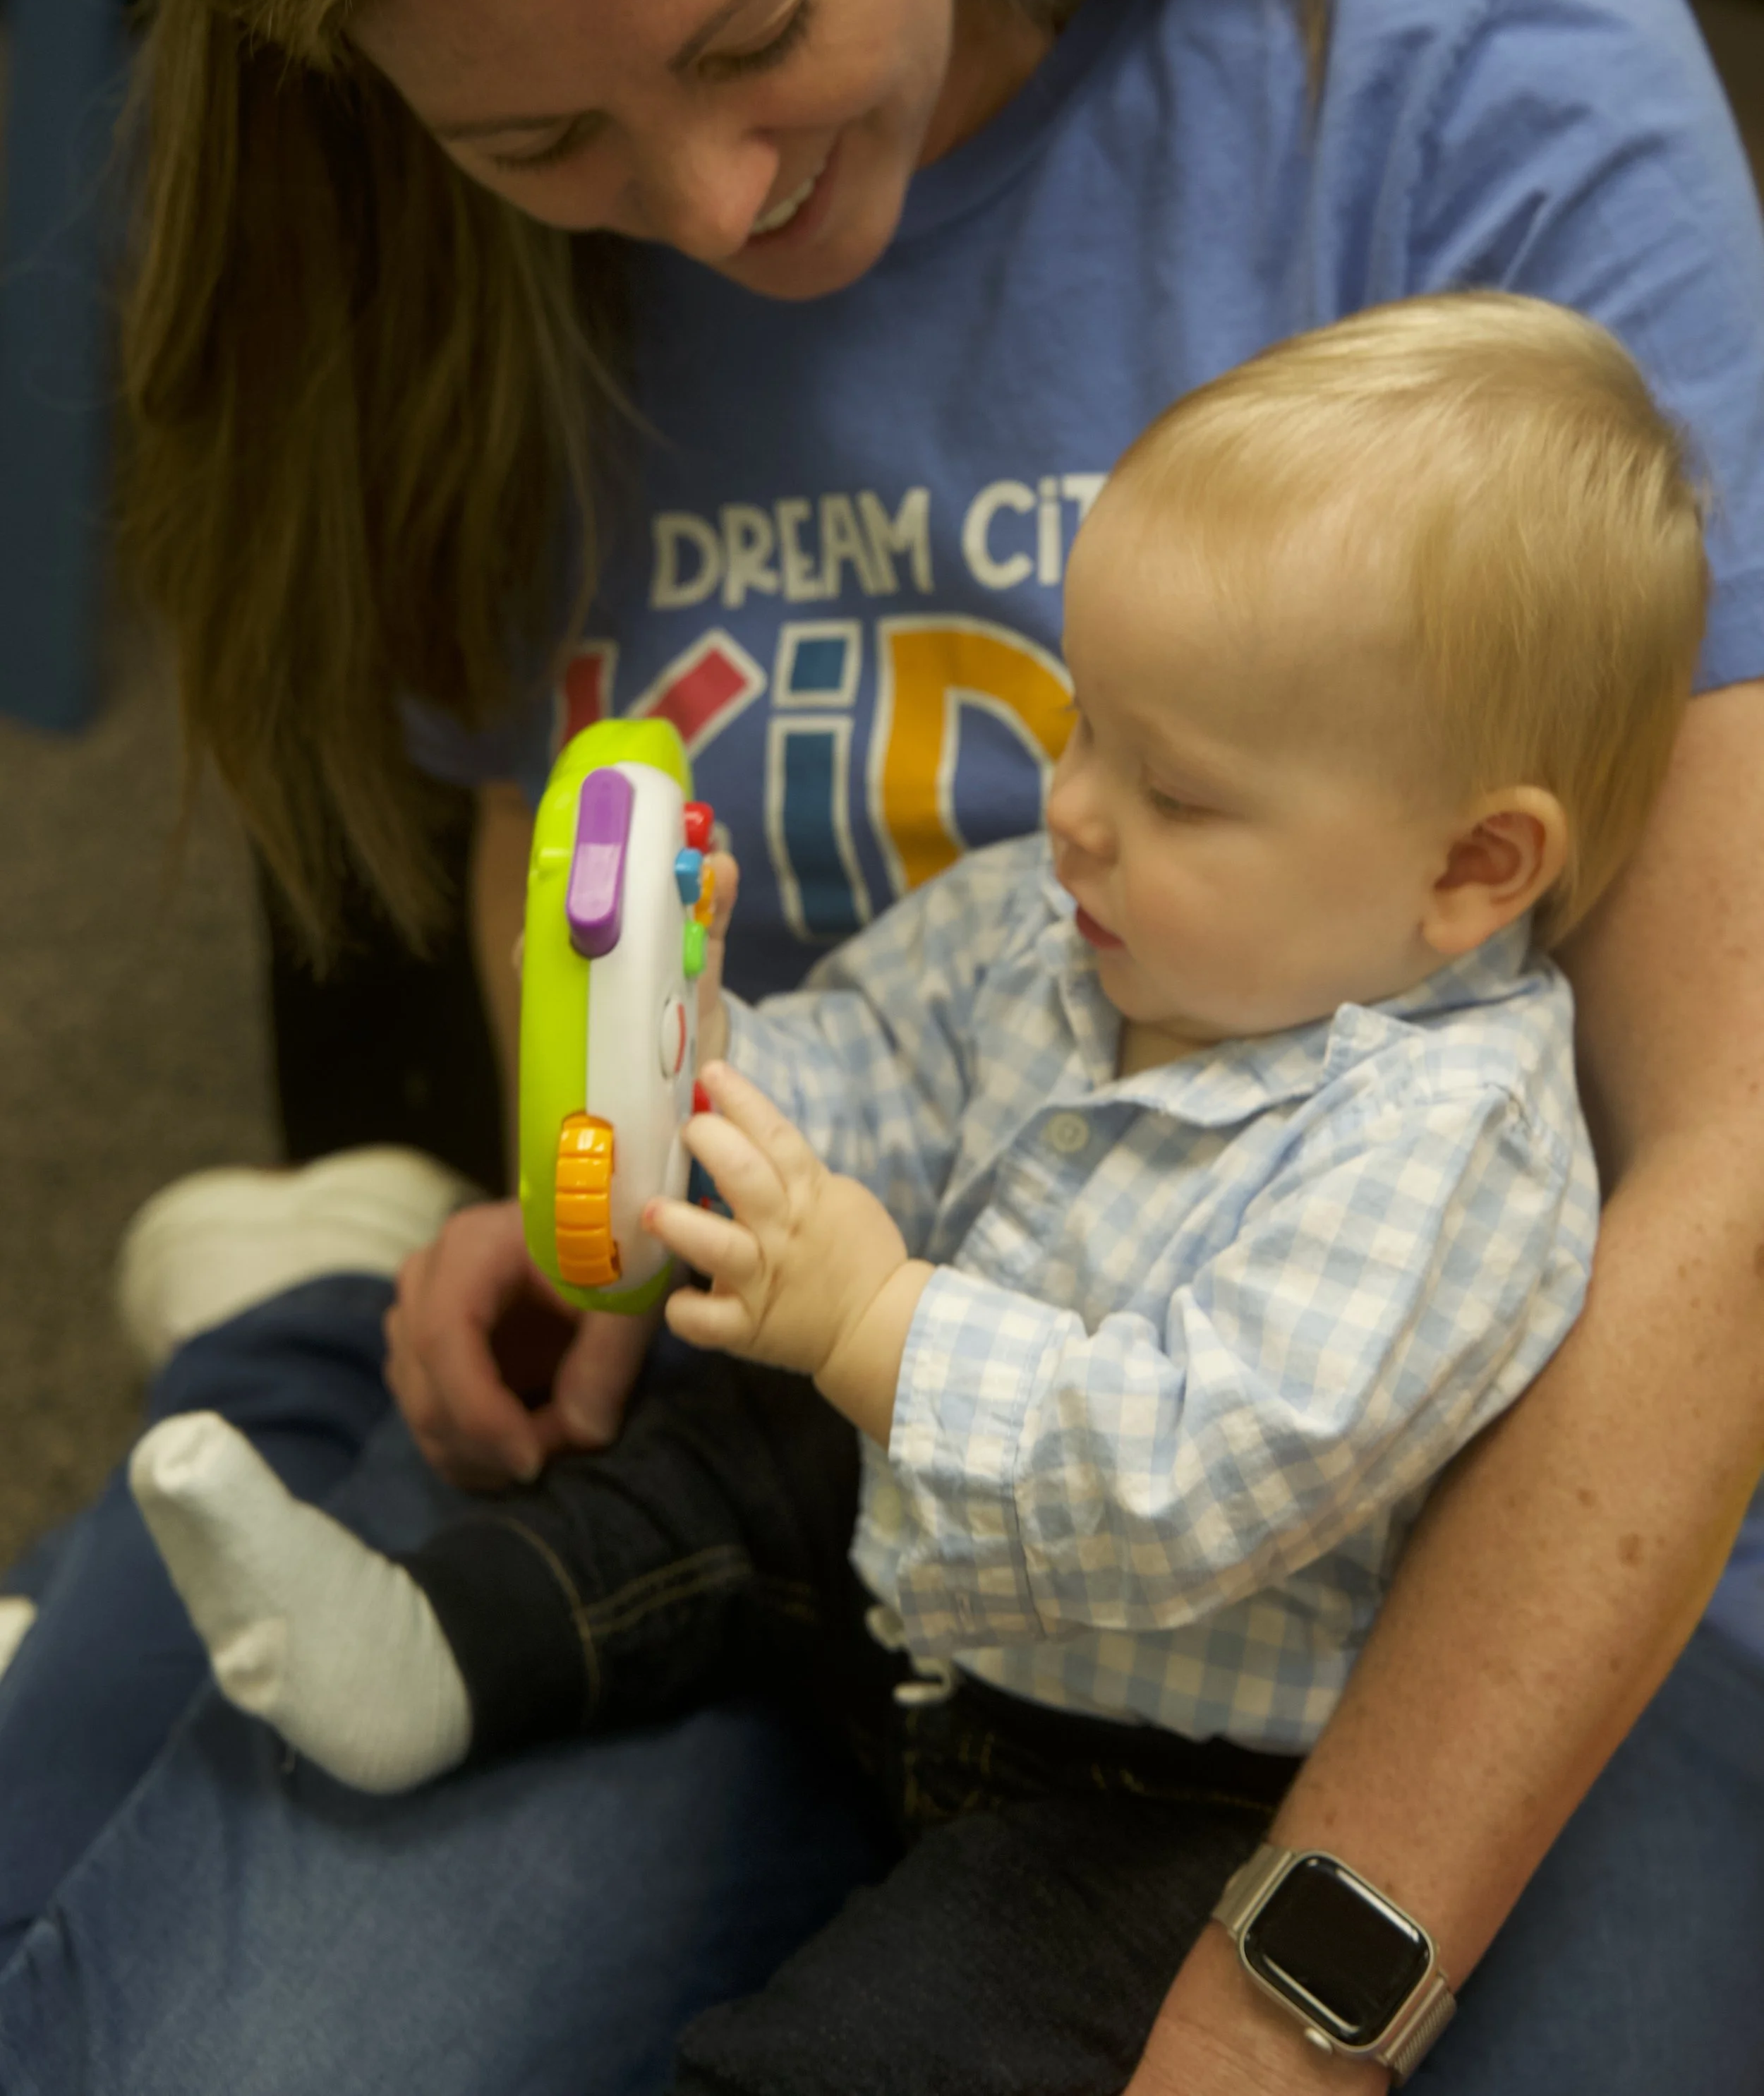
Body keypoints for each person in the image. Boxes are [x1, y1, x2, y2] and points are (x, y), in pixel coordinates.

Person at [1, 0, 1763, 2088]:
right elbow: (574, 850)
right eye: (545, 143)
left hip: (1408, 1506)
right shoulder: (438, 248)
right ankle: (331, 1318)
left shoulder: (1475, 68)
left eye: (754, 36)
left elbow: (1730, 1153)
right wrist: (592, 1199)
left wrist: (1303, 1997)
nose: (708, 205)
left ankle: (290, 1313)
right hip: (809, 1422)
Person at [122, 296, 1708, 2096]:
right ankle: (431, 1653)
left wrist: (877, 1326)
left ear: (1469, 866)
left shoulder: (1449, 1144)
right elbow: (872, 1056)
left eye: (1172, 789)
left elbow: (1190, 1477)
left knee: (896, 2045)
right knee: (704, 1461)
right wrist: (681, 1058)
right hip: (916, 1585)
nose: (1076, 812)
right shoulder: (1067, 914)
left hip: (1149, 1778)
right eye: (1082, 723)